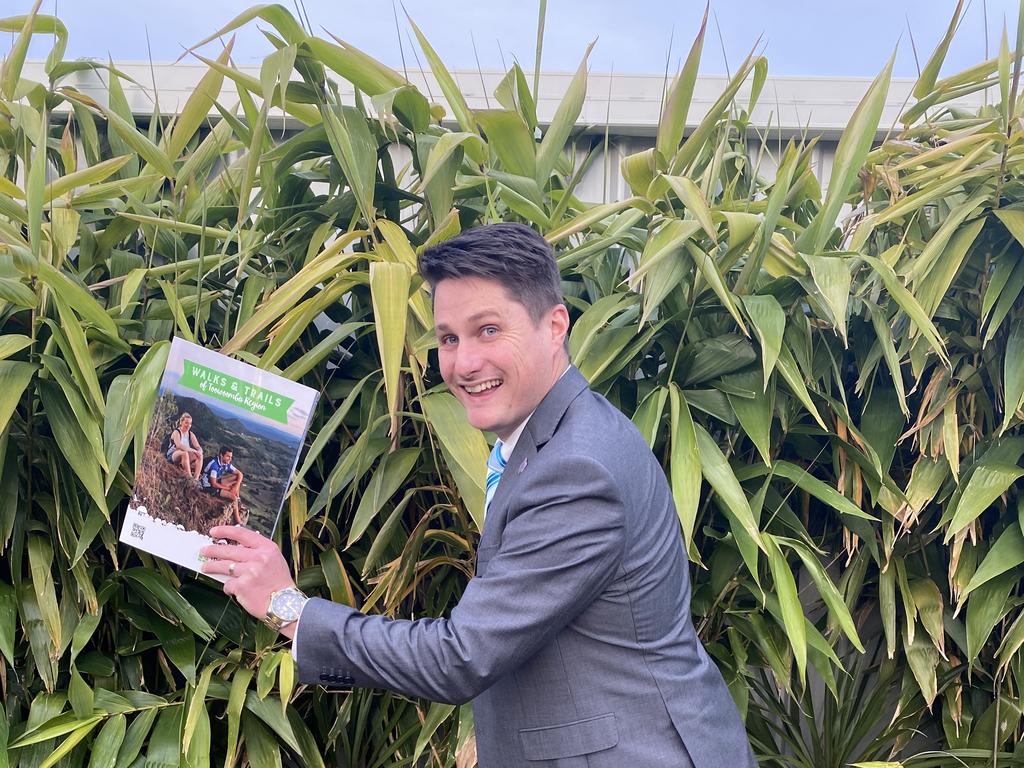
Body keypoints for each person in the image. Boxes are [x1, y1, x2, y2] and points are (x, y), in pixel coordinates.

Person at [201, 223, 755, 767]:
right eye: (448, 337)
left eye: (488, 330)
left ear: (555, 325)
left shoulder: (577, 470)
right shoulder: (554, 437)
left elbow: (460, 657)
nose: (464, 363)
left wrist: (287, 606)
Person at [201, 447, 247, 524]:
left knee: (236, 478)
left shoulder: (226, 464)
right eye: (228, 456)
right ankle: (238, 521)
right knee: (233, 497)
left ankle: (238, 500)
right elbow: (214, 484)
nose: (230, 459)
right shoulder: (214, 465)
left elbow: (240, 474)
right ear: (221, 455)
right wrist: (228, 488)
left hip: (215, 480)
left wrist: (235, 488)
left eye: (231, 457)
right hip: (208, 487)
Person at [166, 412, 203, 482]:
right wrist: (193, 450)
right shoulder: (177, 432)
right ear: (181, 422)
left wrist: (199, 451)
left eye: (190, 423)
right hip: (173, 454)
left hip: (186, 455)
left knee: (200, 456)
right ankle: (189, 478)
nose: (188, 425)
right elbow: (179, 445)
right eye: (186, 423)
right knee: (184, 453)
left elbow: (198, 446)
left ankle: (196, 479)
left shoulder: (191, 434)